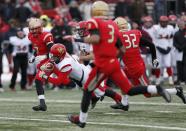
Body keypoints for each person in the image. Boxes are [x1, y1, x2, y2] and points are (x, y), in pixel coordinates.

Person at [67, 1, 171, 128]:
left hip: (103, 64)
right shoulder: (112, 25)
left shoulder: (94, 22)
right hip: (113, 63)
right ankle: (157, 89)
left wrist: (77, 39)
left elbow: (95, 39)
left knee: (88, 90)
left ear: (94, 11)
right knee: (129, 90)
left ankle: (82, 120)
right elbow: (121, 49)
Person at [108, 17, 186, 111]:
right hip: (131, 66)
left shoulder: (118, 36)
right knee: (121, 79)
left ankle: (176, 91)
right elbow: (151, 45)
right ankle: (124, 103)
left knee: (148, 94)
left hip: (136, 68)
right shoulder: (134, 33)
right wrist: (154, 59)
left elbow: (116, 52)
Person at [37, 44, 105, 104]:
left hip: (83, 76)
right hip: (78, 75)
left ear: (60, 56)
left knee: (101, 92)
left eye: (54, 57)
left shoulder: (65, 64)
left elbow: (59, 82)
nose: (52, 58)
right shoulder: (61, 55)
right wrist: (44, 65)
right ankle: (95, 98)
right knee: (86, 90)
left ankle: (113, 98)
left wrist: (44, 76)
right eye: (52, 55)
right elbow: (52, 59)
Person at [27, 17, 54, 111]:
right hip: (43, 60)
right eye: (32, 29)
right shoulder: (30, 36)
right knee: (38, 79)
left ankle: (96, 93)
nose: (33, 31)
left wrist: (44, 56)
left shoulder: (47, 35)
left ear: (41, 27)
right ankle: (42, 103)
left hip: (54, 59)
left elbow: (53, 52)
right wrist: (34, 56)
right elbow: (37, 48)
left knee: (74, 78)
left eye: (35, 28)